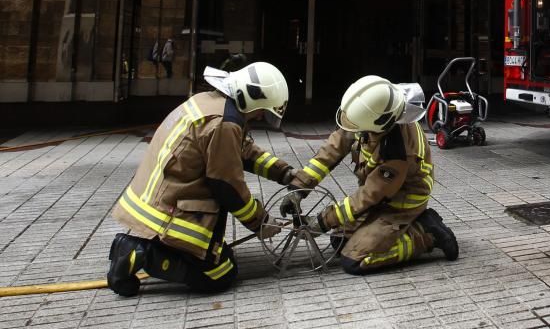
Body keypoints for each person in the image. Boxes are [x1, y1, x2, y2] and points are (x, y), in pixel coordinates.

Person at [107, 62, 297, 296]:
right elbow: (227, 186)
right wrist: (260, 222)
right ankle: (141, 253)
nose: (258, 117)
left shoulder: (210, 102)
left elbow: (242, 151)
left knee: (216, 253)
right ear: (251, 98)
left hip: (151, 200)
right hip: (168, 212)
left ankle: (151, 247)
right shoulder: (224, 124)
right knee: (221, 273)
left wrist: (284, 172)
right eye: (261, 111)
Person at [281, 75, 458, 275]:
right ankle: (398, 229)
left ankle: (426, 233)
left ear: (377, 125)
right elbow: (332, 149)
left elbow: (370, 195)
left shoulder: (397, 150)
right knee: (338, 241)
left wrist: (323, 221)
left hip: (400, 204)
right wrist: (298, 188)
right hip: (379, 198)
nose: (350, 128)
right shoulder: (372, 111)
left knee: (354, 259)